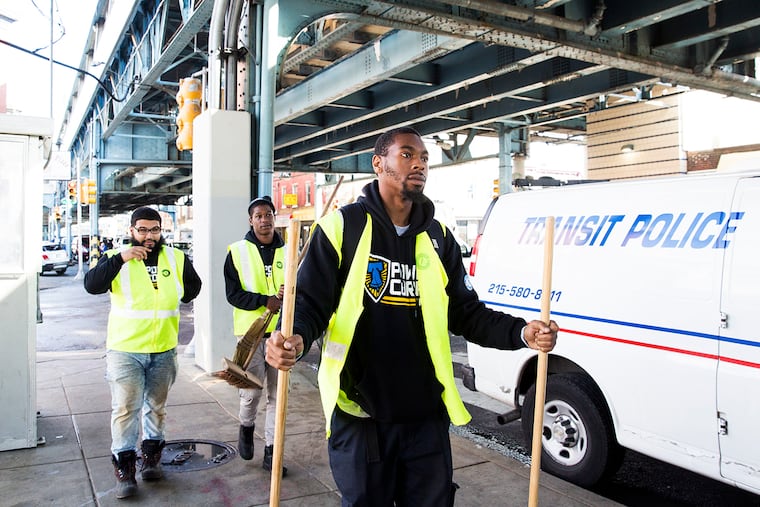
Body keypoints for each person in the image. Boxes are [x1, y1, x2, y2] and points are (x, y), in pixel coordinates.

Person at [266, 127, 559, 506]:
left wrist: (522, 333)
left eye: (423, 158)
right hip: (361, 416)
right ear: (378, 163)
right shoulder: (342, 228)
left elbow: (467, 313)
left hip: (425, 418)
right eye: (407, 154)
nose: (419, 163)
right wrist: (294, 340)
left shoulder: (438, 237)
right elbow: (310, 305)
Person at [84, 206, 202, 499]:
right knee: (126, 409)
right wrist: (122, 257)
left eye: (154, 230)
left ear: (161, 231)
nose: (149, 236)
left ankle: (151, 458)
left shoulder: (176, 258)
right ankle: (125, 469)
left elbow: (193, 288)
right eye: (143, 230)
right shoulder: (115, 259)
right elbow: (92, 285)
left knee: (156, 407)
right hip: (126, 351)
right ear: (132, 231)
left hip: (163, 349)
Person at [223, 195, 288, 475]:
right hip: (250, 336)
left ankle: (272, 454)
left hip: (282, 335)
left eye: (268, 214)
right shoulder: (236, 252)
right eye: (259, 215)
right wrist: (265, 300)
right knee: (251, 393)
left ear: (275, 217)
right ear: (251, 220)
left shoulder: (289, 252)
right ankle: (246, 427)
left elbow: (304, 290)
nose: (264, 220)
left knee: (278, 397)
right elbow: (233, 294)